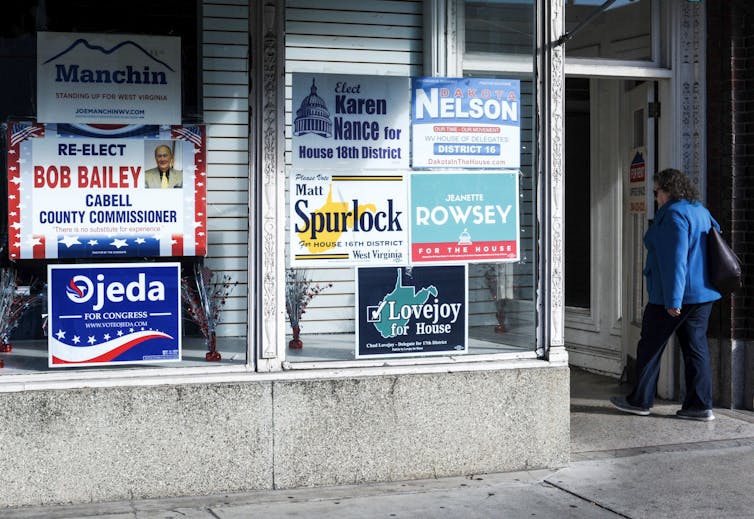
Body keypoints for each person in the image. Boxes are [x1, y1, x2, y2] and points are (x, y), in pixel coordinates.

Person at [610, 168, 721, 421]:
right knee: (696, 349)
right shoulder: (700, 210)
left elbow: (676, 261)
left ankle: (639, 401)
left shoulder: (673, 215)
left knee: (650, 346)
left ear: (668, 190)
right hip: (703, 295)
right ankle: (700, 406)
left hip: (673, 296)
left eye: (657, 191)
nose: (655, 197)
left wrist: (673, 300)